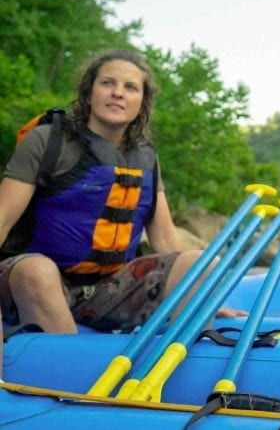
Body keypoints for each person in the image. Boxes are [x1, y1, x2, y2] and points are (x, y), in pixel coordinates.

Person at [0, 50, 241, 335]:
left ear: (142, 103)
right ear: (89, 93)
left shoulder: (146, 158)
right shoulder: (48, 141)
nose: (118, 93)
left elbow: (165, 239)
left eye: (130, 87)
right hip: (32, 282)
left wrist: (199, 294)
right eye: (107, 83)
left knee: (203, 264)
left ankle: (182, 366)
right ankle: (67, 366)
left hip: (108, 291)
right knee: (37, 271)